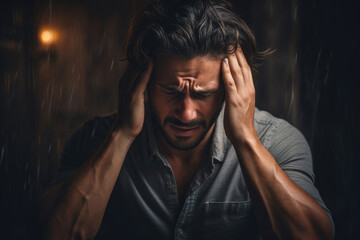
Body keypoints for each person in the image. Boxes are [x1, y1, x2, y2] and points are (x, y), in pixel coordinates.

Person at [36, 0, 334, 239]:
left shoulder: (278, 141)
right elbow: (54, 233)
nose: (187, 112)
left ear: (233, 89)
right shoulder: (94, 139)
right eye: (171, 90)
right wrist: (122, 135)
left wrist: (245, 139)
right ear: (141, 82)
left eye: (204, 94)